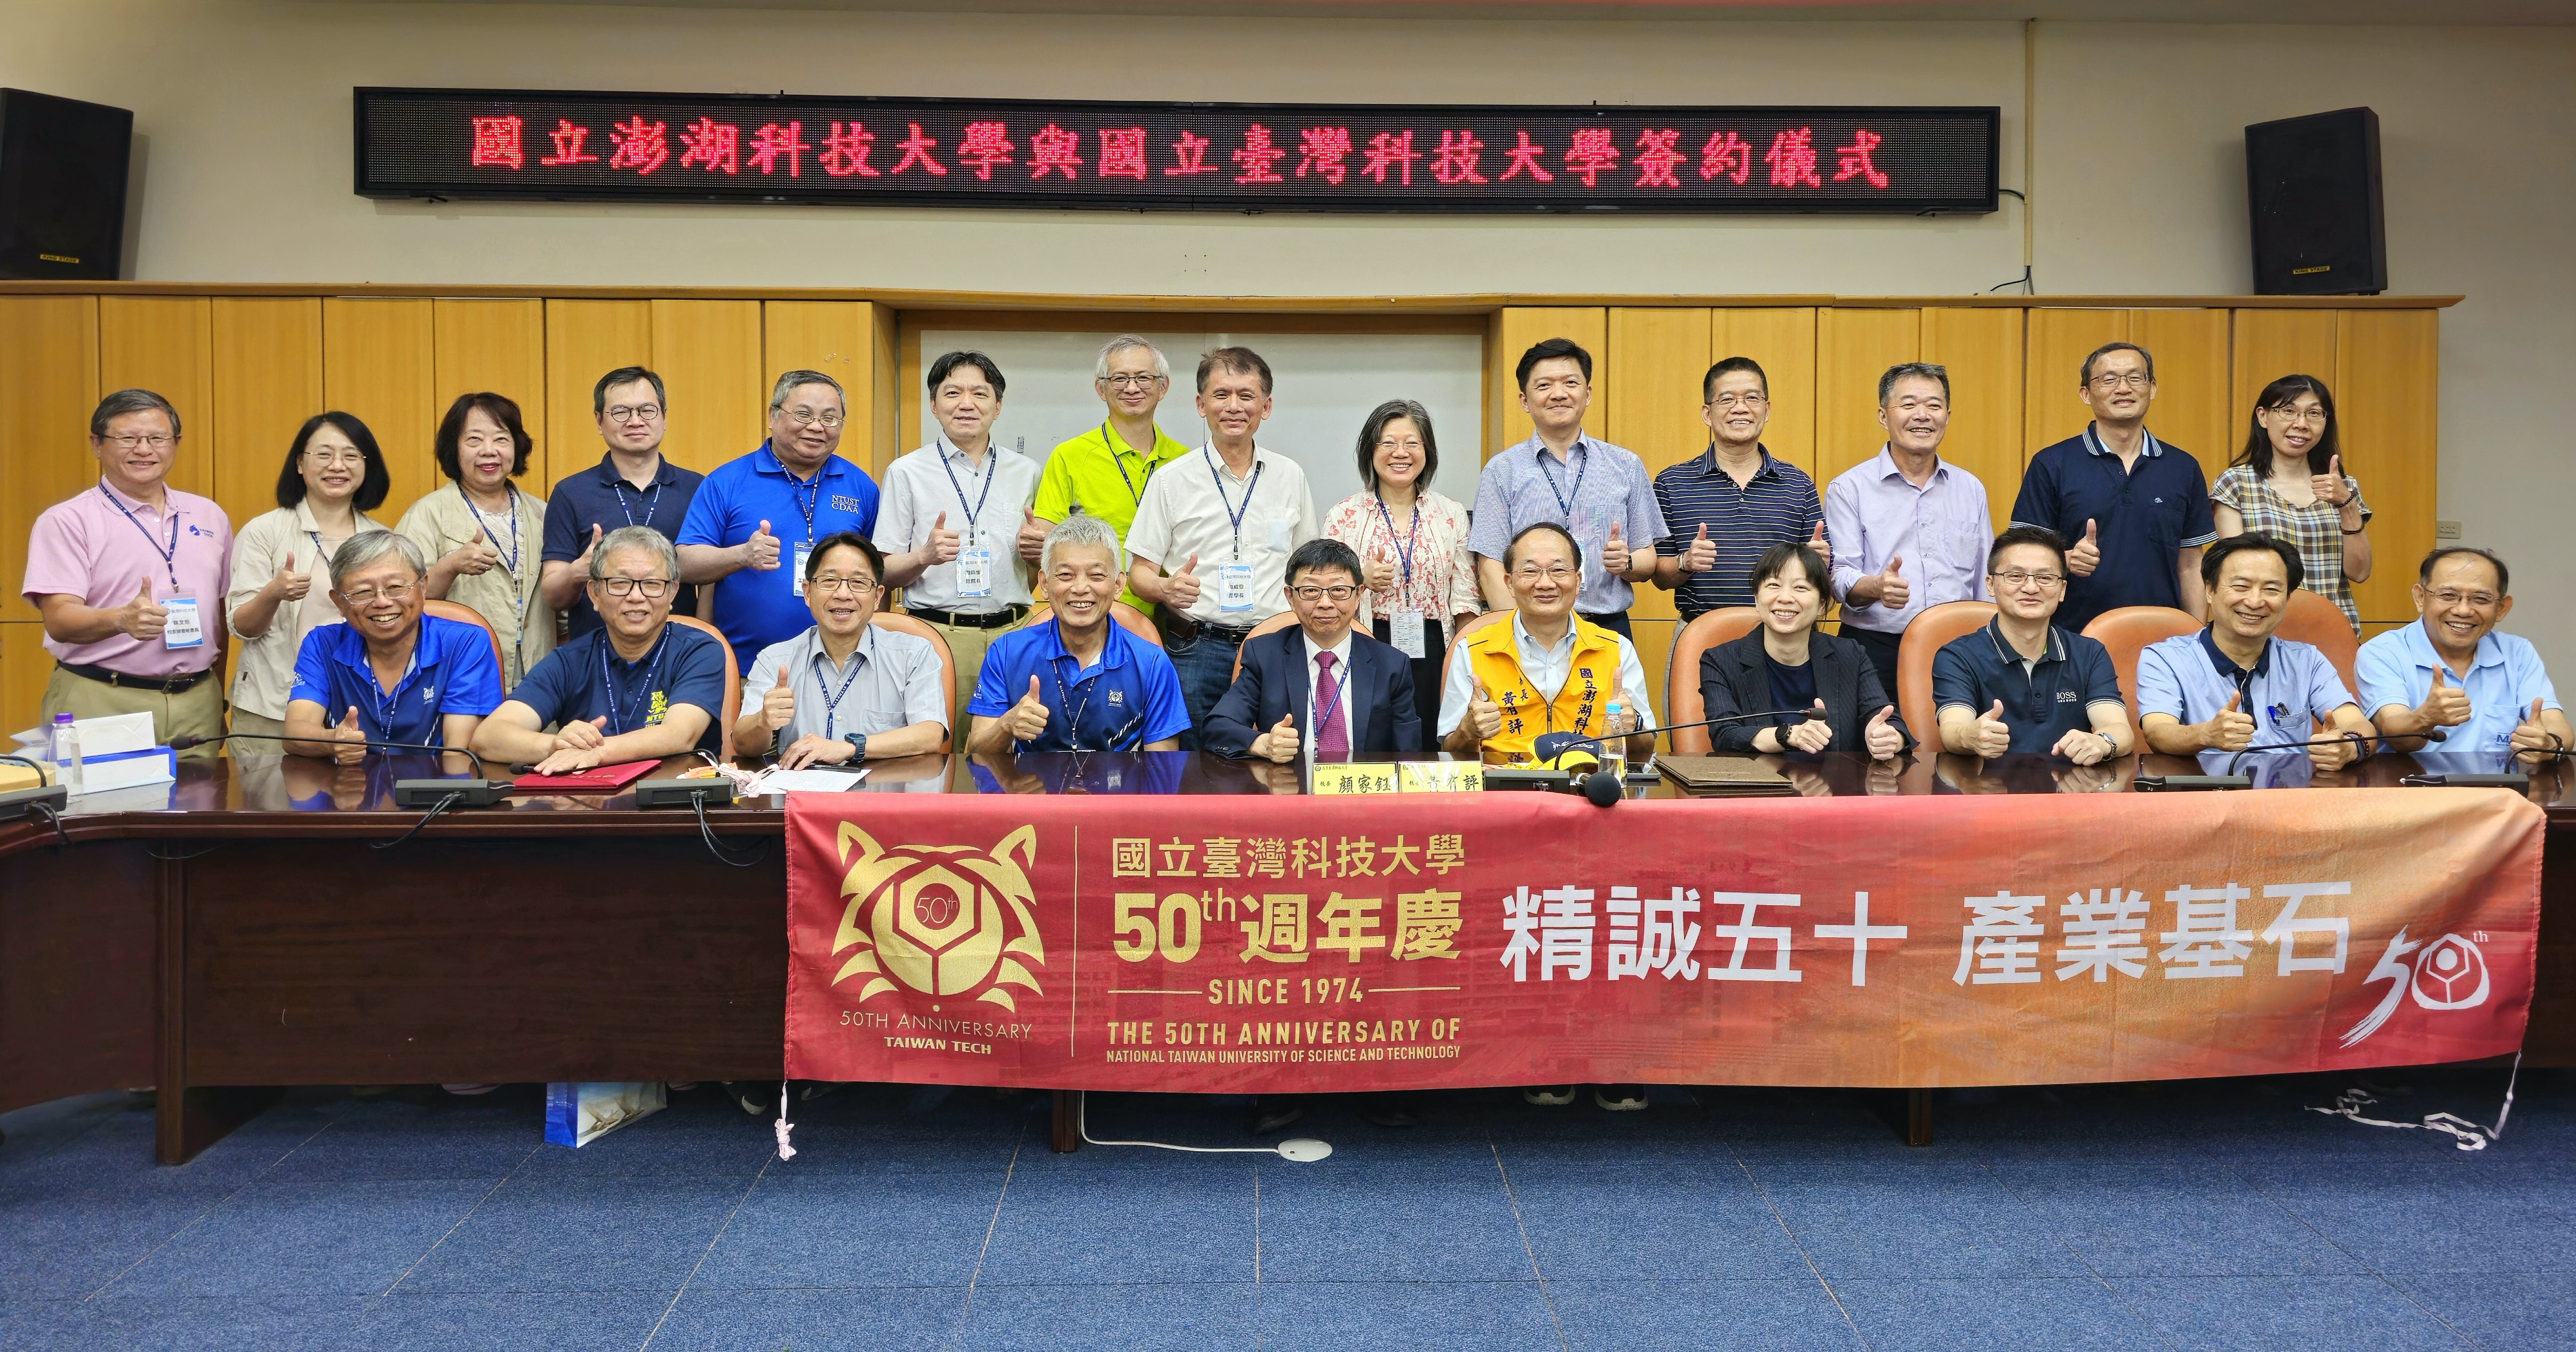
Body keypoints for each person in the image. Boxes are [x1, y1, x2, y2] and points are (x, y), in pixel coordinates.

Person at [1124, 346, 1319, 748]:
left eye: (1247, 396)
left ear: (1266, 407)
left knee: (1278, 759)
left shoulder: (1290, 476)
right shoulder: (1171, 479)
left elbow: (1309, 568)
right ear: (1201, 404)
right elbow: (1139, 573)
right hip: (1197, 648)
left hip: (1276, 646)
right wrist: (1165, 589)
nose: (1234, 406)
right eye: (1221, 395)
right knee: (1196, 766)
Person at [23, 389, 233, 748]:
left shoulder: (208, 515)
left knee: (202, 803)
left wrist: (214, 696)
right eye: (128, 439)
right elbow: (58, 620)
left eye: (157, 438)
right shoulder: (68, 521)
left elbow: (219, 614)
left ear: (176, 443)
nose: (144, 449)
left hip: (197, 701)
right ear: (97, 445)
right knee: (103, 804)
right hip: (104, 697)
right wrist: (121, 620)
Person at [472, 526, 728, 772]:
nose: (636, 597)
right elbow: (488, 737)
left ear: (672, 593)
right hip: (587, 805)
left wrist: (596, 753)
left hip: (678, 806)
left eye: (651, 584)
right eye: (619, 583)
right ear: (595, 594)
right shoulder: (570, 661)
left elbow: (678, 737)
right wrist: (555, 745)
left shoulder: (700, 650)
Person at [677, 369, 881, 675]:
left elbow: (879, 576)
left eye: (830, 418)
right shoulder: (727, 482)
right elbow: (684, 563)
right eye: (803, 415)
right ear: (773, 416)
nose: (816, 427)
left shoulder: (861, 486)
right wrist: (742, 556)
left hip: (843, 672)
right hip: (746, 671)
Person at [879, 351, 1042, 734]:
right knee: (941, 748)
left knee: (1015, 748)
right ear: (934, 404)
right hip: (937, 636)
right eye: (953, 393)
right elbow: (883, 571)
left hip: (1014, 635)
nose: (967, 404)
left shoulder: (1028, 471)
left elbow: (1036, 573)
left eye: (980, 394)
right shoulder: (906, 473)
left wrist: (1037, 555)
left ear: (998, 406)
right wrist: (924, 556)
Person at [2011, 341, 2217, 633]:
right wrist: (2065, 559)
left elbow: (2190, 565)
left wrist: (2196, 640)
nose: (2123, 389)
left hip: (2165, 638)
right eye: (2109, 380)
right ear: (2086, 394)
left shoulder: (2183, 467)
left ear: (2152, 389)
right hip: (2071, 637)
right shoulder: (2052, 464)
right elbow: (2021, 557)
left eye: (2136, 378)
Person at [1468, 339, 1663, 639]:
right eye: (1544, 385)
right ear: (1525, 400)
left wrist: (1625, 564)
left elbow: (1647, 559)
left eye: (1570, 383)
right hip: (1529, 629)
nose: (1559, 394)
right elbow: (1491, 566)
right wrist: (1516, 635)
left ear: (1587, 394)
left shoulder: (1626, 464)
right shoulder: (1502, 470)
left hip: (1606, 626)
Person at [2136, 533, 2375, 775]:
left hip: (2290, 798)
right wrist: (2206, 734)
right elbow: (2158, 733)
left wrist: (2351, 747)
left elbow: (2358, 724)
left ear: (2287, 598)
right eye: (2241, 587)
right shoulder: (2165, 658)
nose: (2255, 601)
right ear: (2210, 590)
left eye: (2271, 589)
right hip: (2206, 798)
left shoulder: (2306, 660)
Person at [1824, 362, 1993, 689]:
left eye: (1934, 405)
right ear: (1884, 416)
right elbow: (1839, 575)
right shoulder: (1849, 488)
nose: (1923, 415)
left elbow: (1986, 580)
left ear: (1948, 415)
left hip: (1961, 647)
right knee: (1878, 739)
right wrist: (1876, 587)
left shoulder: (1970, 488)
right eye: (1909, 404)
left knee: (1958, 739)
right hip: (1875, 648)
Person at [224, 413, 391, 741]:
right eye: (324, 454)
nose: (338, 466)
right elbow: (242, 627)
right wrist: (273, 593)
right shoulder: (265, 532)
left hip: (357, 706)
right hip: (274, 707)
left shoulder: (382, 539)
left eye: (351, 455)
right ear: (300, 463)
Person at [1320, 399, 1479, 737]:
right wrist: (1360, 578)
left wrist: (1469, 658)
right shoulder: (1344, 515)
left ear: (1428, 451)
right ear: (1370, 450)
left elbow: (1465, 596)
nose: (1400, 453)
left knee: (1430, 737)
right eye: (1388, 443)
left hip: (1435, 643)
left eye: (1412, 443)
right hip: (1368, 640)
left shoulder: (1450, 513)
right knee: (1373, 736)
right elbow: (1323, 590)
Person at [966, 515, 1189, 754]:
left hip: (1121, 790)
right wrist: (1006, 726)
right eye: (1066, 575)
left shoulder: (1152, 664)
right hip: (1030, 790)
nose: (1081, 588)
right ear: (1044, 583)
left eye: (1096, 576)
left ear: (1118, 585)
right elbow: (977, 757)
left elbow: (1164, 771)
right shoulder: (1007, 653)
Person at [280, 531, 502, 763]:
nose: (382, 602)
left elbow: (458, 755)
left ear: (424, 587)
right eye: (363, 592)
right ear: (339, 603)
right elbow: (295, 732)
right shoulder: (323, 644)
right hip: (347, 792)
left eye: (396, 587)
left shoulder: (465, 643)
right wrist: (334, 740)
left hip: (435, 791)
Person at [735, 532, 948, 769]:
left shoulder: (914, 655)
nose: (843, 594)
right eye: (829, 581)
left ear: (878, 597)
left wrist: (848, 748)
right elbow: (743, 746)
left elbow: (931, 735)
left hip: (882, 796)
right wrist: (763, 721)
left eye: (858, 583)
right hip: (802, 800)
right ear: (807, 592)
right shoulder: (775, 660)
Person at [1205, 538, 1421, 761]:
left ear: (1358, 595)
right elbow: (1218, 727)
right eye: (1311, 591)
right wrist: (1263, 744)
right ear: (1291, 597)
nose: (1325, 603)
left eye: (1339, 590)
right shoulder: (1265, 656)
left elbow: (1408, 755)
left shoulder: (1392, 665)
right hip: (1290, 788)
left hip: (1362, 789)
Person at [1932, 526, 2134, 763]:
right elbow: (1953, 730)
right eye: (2015, 576)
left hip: (2071, 791)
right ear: (1990, 585)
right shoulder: (1958, 656)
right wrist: (1970, 736)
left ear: (2062, 590)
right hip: (1989, 792)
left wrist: (2102, 743)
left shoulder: (2089, 653)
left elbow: (2120, 730)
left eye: (2045, 578)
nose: (2031, 588)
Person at [1653, 357, 1829, 623]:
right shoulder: (1672, 482)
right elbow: (1659, 576)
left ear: (1767, 410)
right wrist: (1685, 563)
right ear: (1707, 414)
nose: (1741, 409)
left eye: (1752, 399)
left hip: (1784, 631)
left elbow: (1825, 575)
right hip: (1702, 630)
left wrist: (1820, 562)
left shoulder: (1798, 483)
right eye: (1727, 400)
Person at [2358, 547, 2572, 763]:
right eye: (2448, 596)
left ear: (2502, 609)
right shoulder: (2382, 652)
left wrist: (2550, 743)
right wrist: (2426, 717)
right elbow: (2397, 737)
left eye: (2480, 599)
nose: (2463, 610)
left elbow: (2557, 725)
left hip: (2498, 790)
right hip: (2411, 788)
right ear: (2421, 598)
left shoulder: (2517, 652)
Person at [539, 366, 707, 641]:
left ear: (664, 418)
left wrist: (706, 640)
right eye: (621, 412)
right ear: (599, 421)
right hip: (595, 657)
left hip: (681, 654)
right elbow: (553, 596)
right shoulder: (570, 493)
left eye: (647, 410)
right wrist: (577, 573)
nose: (635, 421)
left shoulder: (698, 489)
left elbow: (710, 584)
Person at [1697, 542, 1908, 759]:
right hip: (1759, 788)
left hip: (1837, 788)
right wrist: (1789, 735)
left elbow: (1888, 720)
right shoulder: (1720, 661)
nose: (1786, 598)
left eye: (1801, 588)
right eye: (1773, 586)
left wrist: (1889, 737)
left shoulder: (1851, 655)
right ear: (1757, 599)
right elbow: (1725, 735)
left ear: (1822, 605)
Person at [399, 392, 552, 688]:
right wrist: (451, 566)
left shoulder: (542, 513)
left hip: (539, 675)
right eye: (474, 440)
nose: (489, 451)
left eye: (501, 439)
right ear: (454, 449)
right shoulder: (427, 514)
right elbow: (401, 601)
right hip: (460, 675)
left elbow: (562, 617)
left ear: (517, 447)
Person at [1034, 335, 1191, 616]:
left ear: (1163, 386)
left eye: (1144, 378)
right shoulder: (1070, 456)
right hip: (1098, 614)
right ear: (1101, 388)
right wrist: (1031, 539)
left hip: (1176, 615)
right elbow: (1047, 539)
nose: (1132, 388)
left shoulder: (1186, 462)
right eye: (1120, 379)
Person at [2211, 374, 2370, 634]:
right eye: (2289, 411)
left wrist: (2346, 504)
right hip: (2262, 631)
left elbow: (2360, 572)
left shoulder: (2343, 487)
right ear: (2263, 417)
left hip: (2332, 631)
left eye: (2314, 414)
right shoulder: (2236, 483)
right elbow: (2234, 568)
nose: (2302, 424)